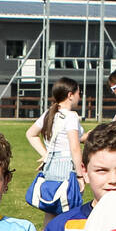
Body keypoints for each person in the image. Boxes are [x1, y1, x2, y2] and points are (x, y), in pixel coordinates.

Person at [25, 78, 85, 211]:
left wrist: (46, 154)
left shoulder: (49, 113)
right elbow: (74, 147)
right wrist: (80, 175)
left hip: (50, 166)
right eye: (79, 93)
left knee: (51, 210)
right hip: (67, 167)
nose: (79, 97)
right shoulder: (71, 116)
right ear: (70, 95)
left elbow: (31, 134)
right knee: (69, 210)